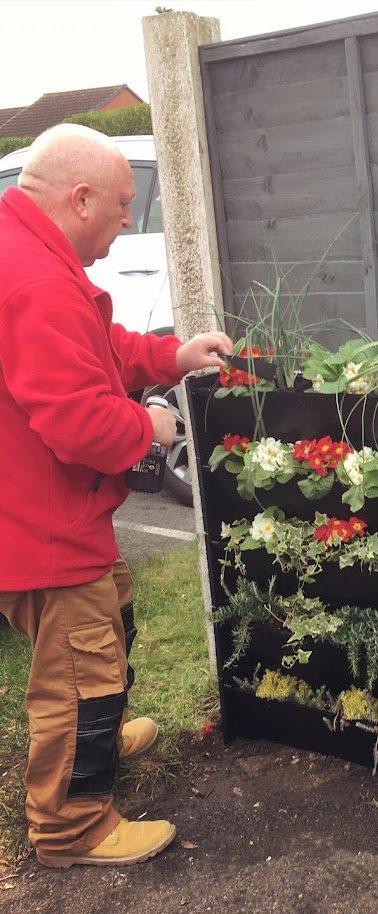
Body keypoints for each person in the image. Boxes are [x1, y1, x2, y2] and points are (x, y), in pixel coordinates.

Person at [0, 124, 232, 868]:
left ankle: (105, 728)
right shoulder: (34, 281)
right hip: (41, 523)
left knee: (113, 619)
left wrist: (170, 353)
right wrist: (152, 425)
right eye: (126, 205)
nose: (131, 220)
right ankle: (71, 826)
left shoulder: (30, 251)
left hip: (50, 511)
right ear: (81, 198)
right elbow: (79, 424)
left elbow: (93, 351)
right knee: (76, 678)